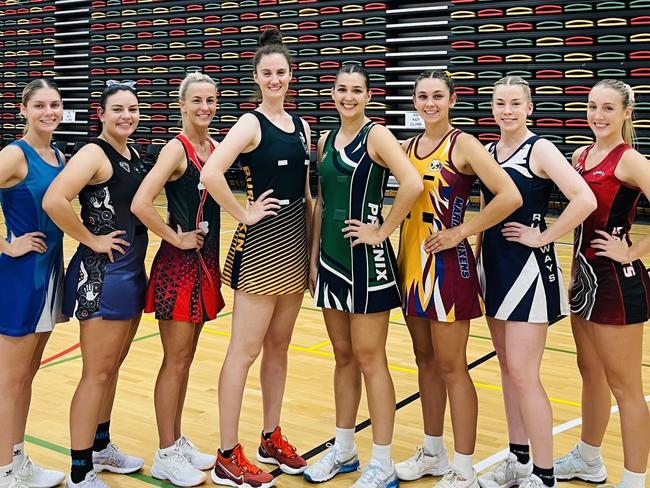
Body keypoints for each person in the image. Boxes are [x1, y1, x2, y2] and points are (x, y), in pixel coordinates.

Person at [394, 70, 522, 488]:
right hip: (411, 266)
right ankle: (433, 452)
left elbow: (509, 195)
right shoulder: (406, 147)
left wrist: (461, 231)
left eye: (437, 96)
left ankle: (464, 468)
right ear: (413, 101)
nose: (429, 103)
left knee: (452, 366)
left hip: (449, 269)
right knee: (425, 361)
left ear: (451, 99)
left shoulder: (463, 144)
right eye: (422, 96)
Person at [200, 28, 312, 488]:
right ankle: (228, 453)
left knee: (279, 349)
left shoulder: (303, 126)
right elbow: (210, 172)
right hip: (261, 249)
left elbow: (306, 194)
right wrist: (242, 210)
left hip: (295, 249)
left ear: (291, 75)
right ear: (256, 77)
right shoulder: (250, 123)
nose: (274, 79)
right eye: (266, 73)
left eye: (281, 72)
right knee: (243, 352)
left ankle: (270, 436)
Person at [303, 63, 423, 488]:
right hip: (332, 262)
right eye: (341, 89)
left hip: (367, 265)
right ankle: (344, 450)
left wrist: (382, 231)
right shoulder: (325, 139)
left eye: (356, 90)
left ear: (368, 96)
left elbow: (411, 183)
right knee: (343, 357)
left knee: (371, 359)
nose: (348, 97)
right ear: (332, 94)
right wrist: (314, 256)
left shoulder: (377, 135)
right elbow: (320, 201)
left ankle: (383, 462)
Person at [475, 76, 596, 488]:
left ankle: (544, 477)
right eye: (499, 103)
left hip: (529, 273)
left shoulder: (540, 148)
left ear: (529, 108)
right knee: (508, 370)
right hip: (494, 269)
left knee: (525, 373)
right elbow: (485, 211)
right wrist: (476, 259)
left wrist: (543, 236)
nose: (506, 111)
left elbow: (584, 199)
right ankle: (518, 460)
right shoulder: (489, 151)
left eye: (514, 104)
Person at [42, 81, 148, 488]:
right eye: (117, 109)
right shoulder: (93, 153)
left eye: (133, 109)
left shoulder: (132, 154)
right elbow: (55, 199)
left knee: (111, 368)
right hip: (103, 276)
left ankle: (101, 447)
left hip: (132, 270)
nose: (126, 116)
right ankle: (80, 471)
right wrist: (91, 238)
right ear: (100, 114)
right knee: (96, 374)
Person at [553, 79, 650, 488]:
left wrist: (632, 251)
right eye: (593, 106)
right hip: (585, 281)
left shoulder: (630, 160)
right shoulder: (580, 154)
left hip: (617, 284)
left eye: (608, 108)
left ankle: (633, 480)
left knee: (625, 388)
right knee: (589, 372)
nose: (598, 116)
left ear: (627, 113)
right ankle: (589, 459)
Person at [131, 72, 224, 487]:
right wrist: (175, 236)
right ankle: (166, 453)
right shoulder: (176, 150)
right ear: (182, 106)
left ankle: (177, 439)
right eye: (197, 101)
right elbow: (140, 202)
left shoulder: (216, 149)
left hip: (206, 266)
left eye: (211, 101)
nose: (205, 107)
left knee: (186, 360)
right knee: (175, 360)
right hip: (177, 269)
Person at [0, 80, 67, 488]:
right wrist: (7, 245)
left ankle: (17, 458)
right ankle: (5, 469)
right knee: (10, 379)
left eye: (55, 105)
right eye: (39, 105)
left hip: (50, 276)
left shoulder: (58, 154)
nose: (48, 112)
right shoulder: (14, 155)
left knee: (26, 377)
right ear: (23, 110)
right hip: (21, 278)